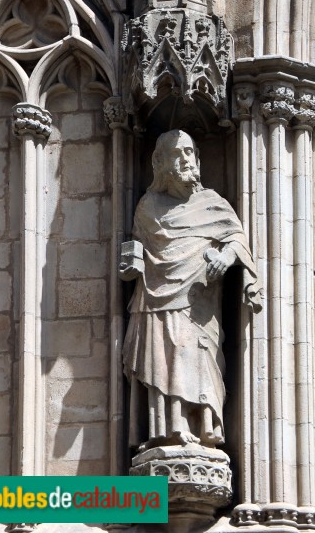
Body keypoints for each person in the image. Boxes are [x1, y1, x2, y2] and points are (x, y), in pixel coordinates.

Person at [120, 129, 262, 450]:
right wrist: (132, 264)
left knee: (197, 355)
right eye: (177, 153)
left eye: (190, 153)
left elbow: (237, 240)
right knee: (164, 359)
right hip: (156, 302)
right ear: (160, 162)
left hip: (199, 304)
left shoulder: (213, 204)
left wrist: (226, 257)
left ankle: (205, 429)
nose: (186, 160)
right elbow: (140, 247)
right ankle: (169, 430)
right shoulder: (148, 206)